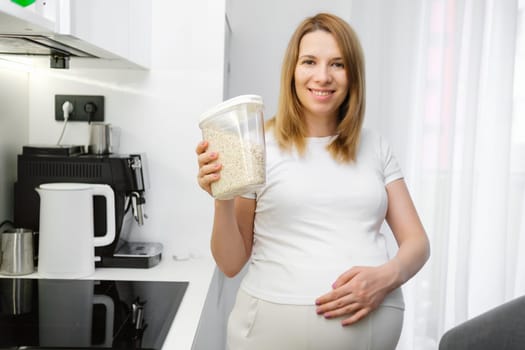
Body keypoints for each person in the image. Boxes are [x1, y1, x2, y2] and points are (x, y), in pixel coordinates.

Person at [196, 12, 430, 350]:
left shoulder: (374, 145)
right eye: (309, 61)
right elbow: (231, 263)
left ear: (353, 76)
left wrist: (386, 277)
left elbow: (417, 243)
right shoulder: (256, 146)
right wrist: (223, 194)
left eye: (337, 64)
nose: (322, 76)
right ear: (292, 70)